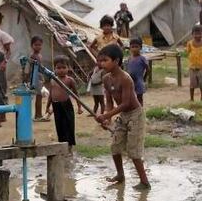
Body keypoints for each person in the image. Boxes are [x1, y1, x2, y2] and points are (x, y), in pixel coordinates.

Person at [95, 44, 150, 190]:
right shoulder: (106, 79)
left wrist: (107, 115)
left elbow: (125, 103)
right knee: (115, 146)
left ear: (116, 61)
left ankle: (144, 182)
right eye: (100, 61)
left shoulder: (126, 79)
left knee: (133, 150)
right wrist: (108, 118)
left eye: (105, 60)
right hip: (123, 115)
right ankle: (120, 174)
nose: (102, 64)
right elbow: (109, 102)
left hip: (135, 115)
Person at [45, 55, 83, 152]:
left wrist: (79, 107)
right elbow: (51, 94)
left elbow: (76, 94)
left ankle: (69, 146)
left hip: (66, 105)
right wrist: (47, 107)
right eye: (58, 68)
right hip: (56, 106)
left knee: (69, 125)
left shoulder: (69, 80)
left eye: (64, 67)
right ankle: (62, 144)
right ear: (54, 68)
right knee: (59, 125)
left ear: (68, 68)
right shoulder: (53, 80)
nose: (61, 70)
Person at [29, 35, 49, 122]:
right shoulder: (33, 56)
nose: (38, 46)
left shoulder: (39, 55)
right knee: (39, 96)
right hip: (35, 77)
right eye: (36, 45)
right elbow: (37, 68)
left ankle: (38, 114)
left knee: (39, 96)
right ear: (32, 45)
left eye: (40, 45)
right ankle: (38, 115)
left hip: (39, 77)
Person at [126, 37, 148, 106]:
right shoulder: (129, 58)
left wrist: (144, 77)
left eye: (136, 47)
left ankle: (140, 111)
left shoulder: (142, 58)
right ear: (130, 48)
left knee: (139, 97)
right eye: (132, 47)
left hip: (139, 80)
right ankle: (134, 111)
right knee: (130, 97)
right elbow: (127, 69)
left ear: (140, 47)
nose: (134, 49)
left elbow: (148, 68)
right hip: (130, 81)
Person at [186, 25, 202, 101]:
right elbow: (188, 52)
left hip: (201, 68)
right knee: (192, 85)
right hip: (192, 68)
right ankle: (191, 98)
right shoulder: (189, 43)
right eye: (195, 34)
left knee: (201, 84)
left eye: (199, 33)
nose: (197, 36)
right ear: (192, 34)